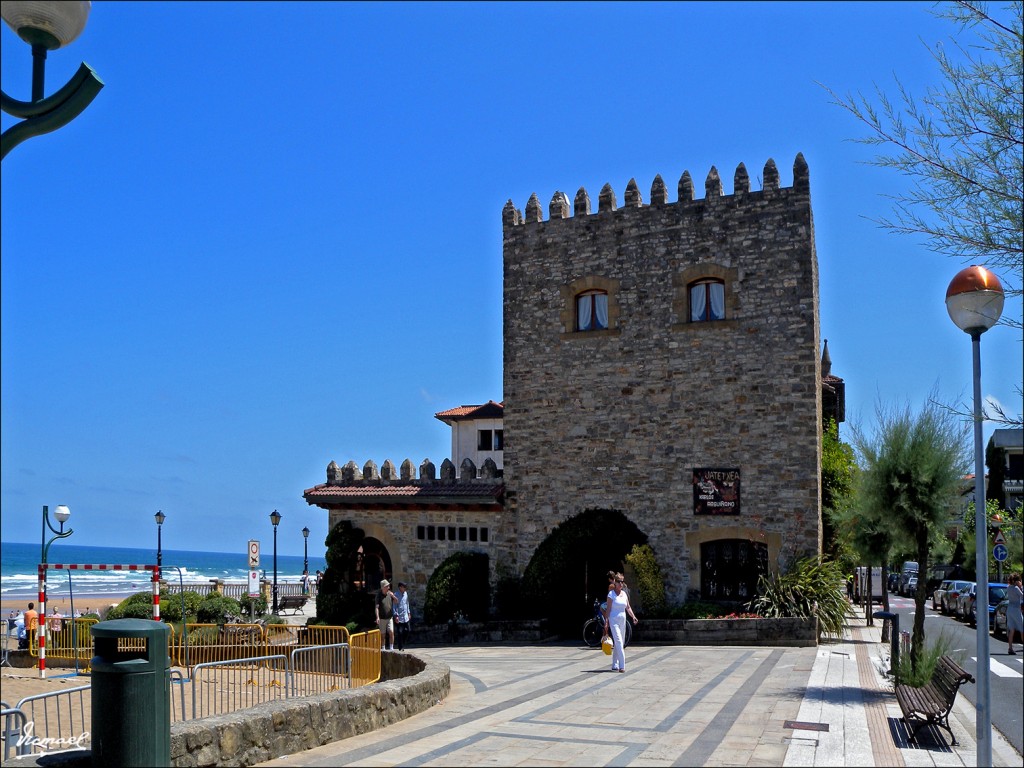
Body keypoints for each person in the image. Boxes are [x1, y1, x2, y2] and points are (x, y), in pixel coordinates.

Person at [602, 572, 638, 673]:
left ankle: (614, 664)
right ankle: (622, 665)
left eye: (622, 582)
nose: (621, 584)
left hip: (622, 620)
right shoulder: (611, 594)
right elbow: (608, 609)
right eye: (619, 582)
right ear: (615, 583)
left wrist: (633, 616)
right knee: (618, 641)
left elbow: (628, 607)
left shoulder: (624, 594)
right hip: (613, 620)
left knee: (620, 642)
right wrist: (606, 621)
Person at [375, 579, 397, 651]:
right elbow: (377, 608)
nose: (388, 588)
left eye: (388, 586)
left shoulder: (390, 593)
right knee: (383, 634)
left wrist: (393, 596)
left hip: (389, 617)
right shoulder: (378, 595)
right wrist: (377, 617)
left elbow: (397, 601)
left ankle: (391, 647)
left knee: (391, 632)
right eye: (387, 586)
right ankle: (383, 648)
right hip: (382, 618)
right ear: (383, 587)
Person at [1006, 572, 1023, 656]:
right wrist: (1021, 587)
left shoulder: (1008, 588)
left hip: (1009, 609)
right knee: (1022, 628)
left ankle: (1010, 648)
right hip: (1016, 609)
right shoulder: (1016, 588)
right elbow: (1022, 596)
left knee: (1011, 629)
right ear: (1017, 581)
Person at [394, 582, 411, 651]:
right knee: (400, 632)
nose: (405, 588)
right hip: (399, 617)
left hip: (406, 616)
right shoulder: (396, 595)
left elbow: (407, 603)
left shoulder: (406, 594)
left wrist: (409, 612)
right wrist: (395, 615)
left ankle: (402, 643)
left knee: (408, 630)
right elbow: (394, 606)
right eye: (404, 587)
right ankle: (400, 647)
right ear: (400, 587)